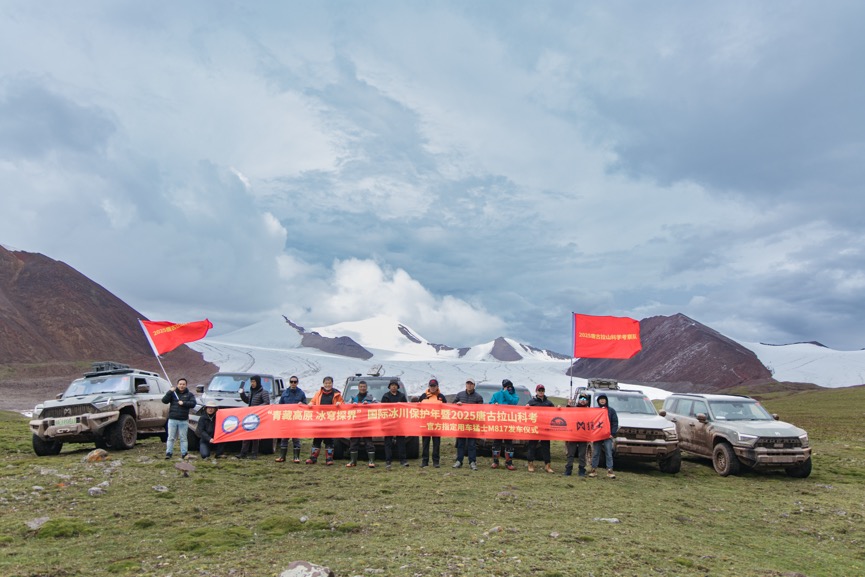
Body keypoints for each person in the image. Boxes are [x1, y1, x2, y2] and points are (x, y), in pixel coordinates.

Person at [305, 376, 343, 465]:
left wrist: (339, 403)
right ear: (323, 384)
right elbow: (313, 401)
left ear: (332, 384)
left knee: (329, 440)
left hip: (330, 420)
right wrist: (310, 404)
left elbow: (342, 404)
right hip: (319, 420)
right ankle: (313, 458)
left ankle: (329, 459)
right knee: (317, 439)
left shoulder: (337, 394)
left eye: (329, 383)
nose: (328, 385)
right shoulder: (318, 393)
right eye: (326, 383)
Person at [161, 377, 197, 460]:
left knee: (183, 438)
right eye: (180, 384)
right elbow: (164, 400)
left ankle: (184, 453)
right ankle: (168, 453)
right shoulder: (172, 393)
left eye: (183, 384)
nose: (182, 386)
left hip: (183, 420)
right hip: (172, 419)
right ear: (177, 385)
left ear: (186, 385)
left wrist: (183, 403)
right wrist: (170, 391)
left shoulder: (190, 394)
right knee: (171, 437)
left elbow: (193, 404)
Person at [453, 378, 484, 470]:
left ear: (474, 385)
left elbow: (481, 410)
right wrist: (456, 404)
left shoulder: (478, 397)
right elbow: (452, 405)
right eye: (468, 383)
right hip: (461, 423)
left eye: (471, 384)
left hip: (472, 424)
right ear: (465, 385)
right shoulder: (460, 395)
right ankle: (459, 461)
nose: (469, 385)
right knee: (460, 444)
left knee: (472, 444)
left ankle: (472, 462)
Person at [237, 375, 271, 459]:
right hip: (250, 416)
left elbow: (266, 403)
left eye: (254, 381)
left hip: (258, 416)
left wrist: (257, 409)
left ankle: (254, 454)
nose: (252, 383)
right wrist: (242, 393)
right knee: (246, 435)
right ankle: (243, 453)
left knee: (255, 436)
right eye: (251, 381)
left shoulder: (264, 392)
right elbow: (247, 401)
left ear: (258, 382)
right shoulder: (252, 391)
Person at [416, 378, 447, 468]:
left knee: (436, 443)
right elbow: (418, 408)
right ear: (429, 387)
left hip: (437, 424)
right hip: (425, 424)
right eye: (431, 386)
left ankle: (436, 461)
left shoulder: (441, 397)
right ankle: (425, 461)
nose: (432, 388)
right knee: (425, 443)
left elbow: (446, 409)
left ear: (437, 387)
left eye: (434, 386)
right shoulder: (423, 396)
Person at [489, 379, 519, 470]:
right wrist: (494, 404)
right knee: (496, 442)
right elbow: (490, 404)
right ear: (503, 386)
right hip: (498, 422)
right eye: (506, 386)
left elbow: (513, 402)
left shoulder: (515, 396)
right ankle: (495, 462)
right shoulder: (496, 395)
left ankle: (509, 462)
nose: (508, 388)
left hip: (509, 423)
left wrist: (506, 392)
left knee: (509, 443)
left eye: (509, 386)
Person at [275, 375, 307, 463]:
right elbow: (280, 405)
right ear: (289, 382)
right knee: (284, 438)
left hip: (296, 419)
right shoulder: (285, 393)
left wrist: (302, 404)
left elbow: (305, 404)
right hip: (286, 419)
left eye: (295, 382)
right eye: (291, 381)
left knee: (296, 438)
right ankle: (282, 456)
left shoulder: (301, 393)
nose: (293, 383)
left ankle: (296, 457)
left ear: (297, 383)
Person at [346, 380, 377, 468]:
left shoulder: (371, 398)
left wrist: (370, 405)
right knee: (353, 442)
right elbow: (346, 406)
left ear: (366, 388)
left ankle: (371, 461)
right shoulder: (353, 398)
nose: (362, 388)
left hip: (367, 423)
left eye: (364, 387)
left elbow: (378, 406)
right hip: (355, 423)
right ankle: (353, 461)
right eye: (361, 387)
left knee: (369, 442)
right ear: (358, 387)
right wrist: (352, 405)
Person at [380, 379, 409, 468]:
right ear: (389, 387)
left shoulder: (402, 396)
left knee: (401, 441)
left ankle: (403, 460)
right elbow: (382, 410)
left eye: (395, 385)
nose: (393, 387)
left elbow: (405, 408)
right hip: (388, 422)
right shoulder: (385, 396)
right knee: (388, 442)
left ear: (397, 386)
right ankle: (388, 461)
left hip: (399, 422)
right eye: (392, 385)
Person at [590, 392, 619, 479]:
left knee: (608, 453)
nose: (602, 401)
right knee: (596, 452)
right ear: (598, 401)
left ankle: (610, 470)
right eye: (600, 399)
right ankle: (593, 469)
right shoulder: (595, 410)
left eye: (603, 399)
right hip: (597, 435)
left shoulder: (611, 411)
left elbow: (615, 423)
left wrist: (612, 433)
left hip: (607, 435)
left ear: (606, 400)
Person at [526, 384, 555, 473]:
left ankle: (547, 465)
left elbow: (554, 414)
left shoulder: (549, 403)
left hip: (545, 427)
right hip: (534, 427)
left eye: (542, 390)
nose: (541, 392)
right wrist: (526, 407)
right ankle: (530, 464)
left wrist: (558, 409)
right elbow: (525, 413)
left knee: (546, 447)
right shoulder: (531, 402)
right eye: (539, 390)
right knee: (532, 446)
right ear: (536, 391)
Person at [564, 394, 591, 477]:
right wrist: (568, 405)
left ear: (587, 401)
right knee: (570, 453)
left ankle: (582, 470)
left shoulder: (590, 411)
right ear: (578, 400)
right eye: (581, 398)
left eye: (584, 399)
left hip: (583, 436)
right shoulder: (574, 409)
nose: (582, 400)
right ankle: (568, 469)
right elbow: (566, 414)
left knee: (582, 454)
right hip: (573, 435)